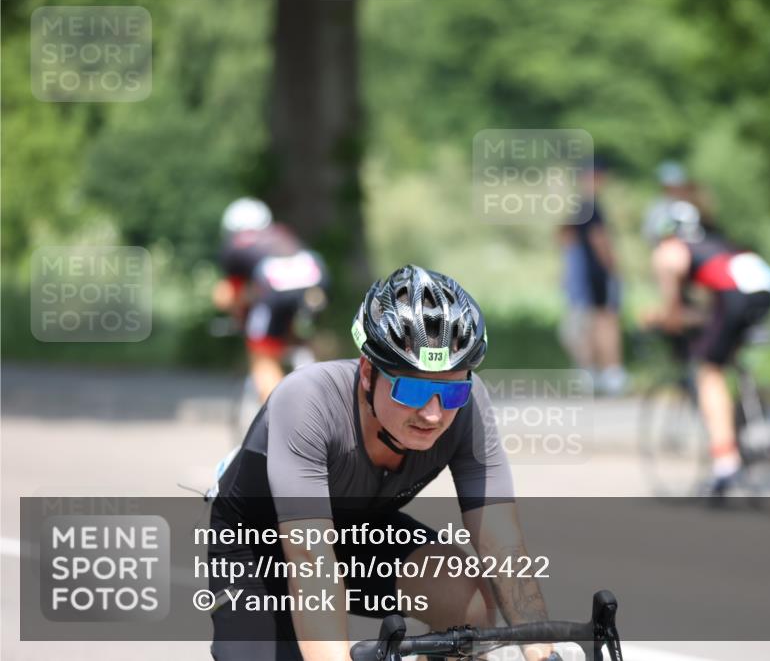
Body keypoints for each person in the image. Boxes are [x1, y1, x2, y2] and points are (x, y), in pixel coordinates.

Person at [208, 265, 556, 661]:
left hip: (360, 529)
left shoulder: (472, 406)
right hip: (261, 542)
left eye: (453, 391)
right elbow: (311, 564)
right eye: (413, 388)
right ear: (368, 371)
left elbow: (501, 538)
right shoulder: (306, 400)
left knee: (471, 601)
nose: (433, 413)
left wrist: (539, 648)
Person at [640, 163, 770, 494]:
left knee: (708, 372)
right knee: (724, 356)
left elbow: (675, 315)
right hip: (762, 284)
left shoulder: (668, 252)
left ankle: (724, 463)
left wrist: (655, 319)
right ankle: (746, 419)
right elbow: (708, 311)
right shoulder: (714, 243)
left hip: (735, 293)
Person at [212, 197, 329, 402]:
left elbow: (230, 294)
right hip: (317, 279)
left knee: (262, 357)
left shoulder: (234, 245)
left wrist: (240, 318)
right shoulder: (282, 234)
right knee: (299, 339)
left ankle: (281, 418)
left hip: (274, 286)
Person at [557, 158, 628, 395]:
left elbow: (564, 236)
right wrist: (613, 268)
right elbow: (600, 240)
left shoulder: (578, 207)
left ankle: (590, 373)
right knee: (605, 322)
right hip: (596, 276)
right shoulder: (591, 207)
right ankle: (611, 374)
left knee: (588, 325)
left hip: (581, 280)